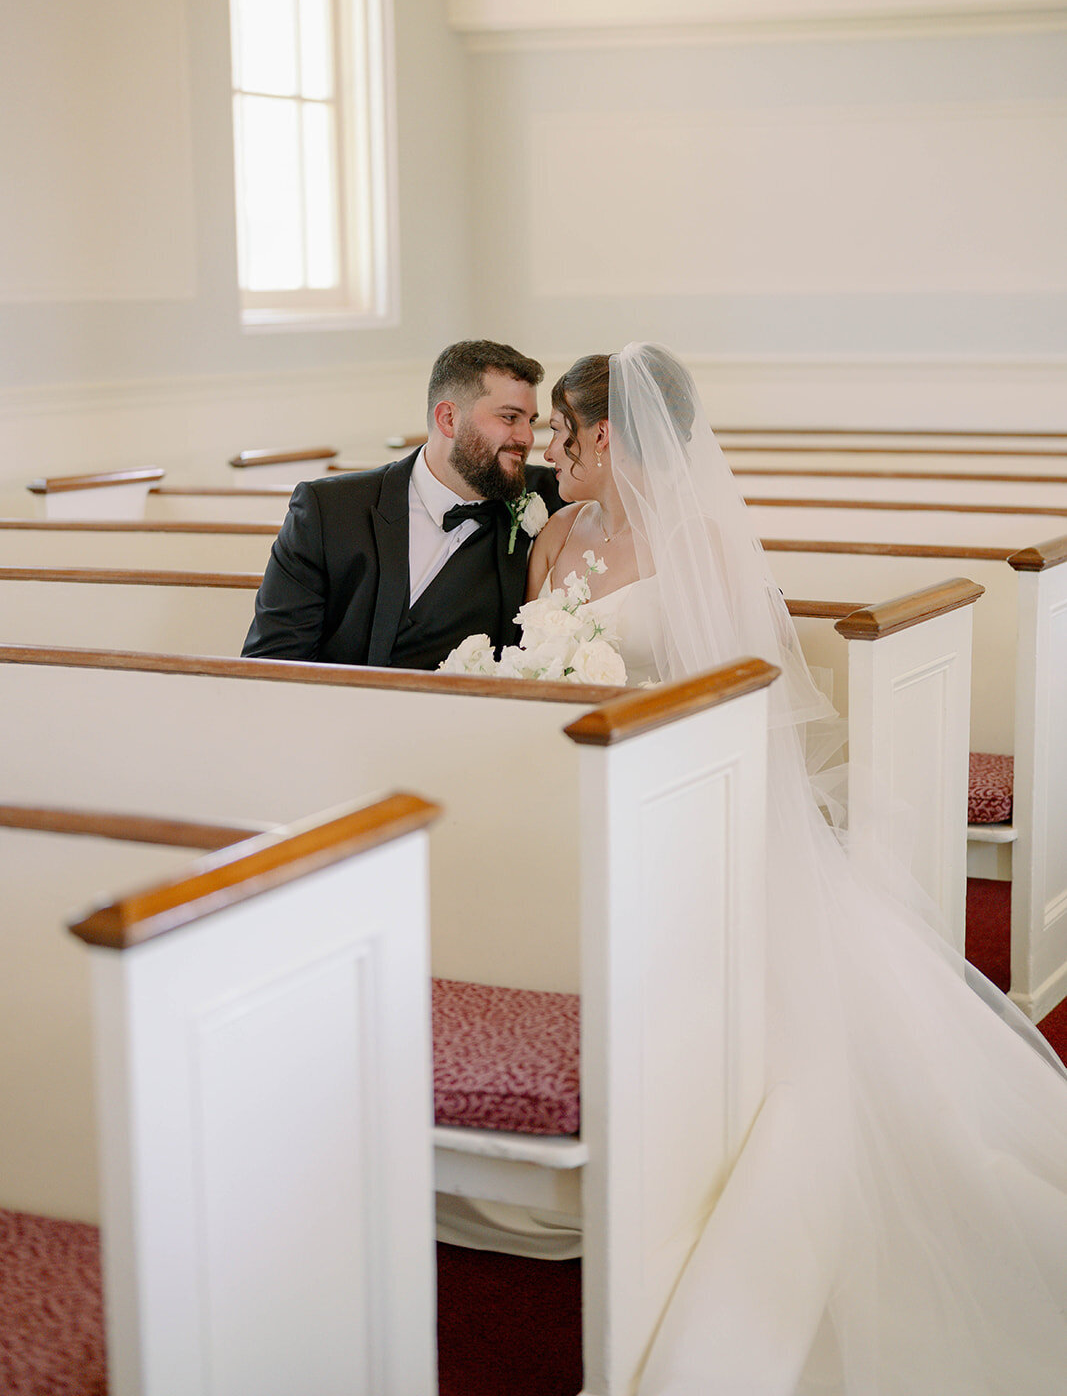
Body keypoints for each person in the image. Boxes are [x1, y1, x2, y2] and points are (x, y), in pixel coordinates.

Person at [532, 343, 1067, 1395]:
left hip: (693, 797)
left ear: (604, 436)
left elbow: (742, 704)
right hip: (583, 794)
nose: (549, 453)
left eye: (561, 432)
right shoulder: (550, 536)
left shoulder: (704, 550)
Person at [242, 340, 563, 668]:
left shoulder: (549, 494)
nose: (526, 437)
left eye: (530, 420)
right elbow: (272, 663)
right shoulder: (327, 512)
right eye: (510, 417)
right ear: (448, 419)